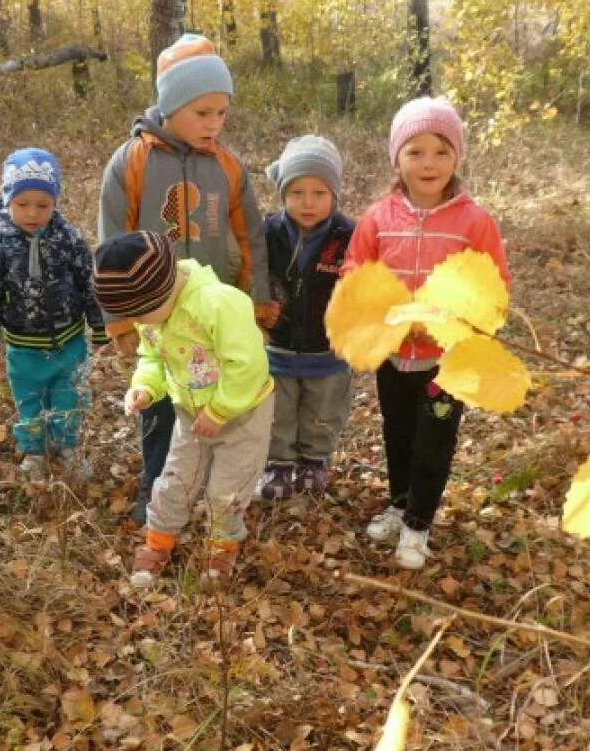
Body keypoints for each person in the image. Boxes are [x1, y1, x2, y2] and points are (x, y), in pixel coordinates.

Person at [97, 34, 276, 524]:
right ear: (171, 106)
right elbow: (112, 244)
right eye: (203, 112)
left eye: (222, 112)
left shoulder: (227, 164)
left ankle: (222, 496)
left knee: (224, 403)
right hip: (158, 312)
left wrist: (258, 307)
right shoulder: (131, 162)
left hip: (217, 315)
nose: (215, 124)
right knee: (163, 403)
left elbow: (251, 236)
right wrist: (121, 322)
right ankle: (159, 492)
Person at [342, 97, 511, 570]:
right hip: (394, 355)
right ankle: (400, 502)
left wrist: (460, 319)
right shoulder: (378, 218)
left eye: (440, 150)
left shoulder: (474, 221)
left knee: (434, 439)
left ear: (457, 156)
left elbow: (493, 283)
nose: (428, 162)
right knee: (397, 432)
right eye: (415, 151)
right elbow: (355, 272)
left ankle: (418, 524)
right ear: (397, 158)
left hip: (446, 360)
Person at [93, 231, 274, 589]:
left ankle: (223, 544)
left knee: (227, 488)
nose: (141, 323)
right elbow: (152, 358)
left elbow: (249, 364)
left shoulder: (218, 304)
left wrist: (220, 410)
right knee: (175, 478)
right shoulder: (152, 316)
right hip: (191, 414)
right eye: (133, 315)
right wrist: (145, 387)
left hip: (242, 413)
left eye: (142, 312)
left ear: (165, 287)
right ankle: (158, 540)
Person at [0, 148, 108, 478]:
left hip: (69, 340)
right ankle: (33, 450)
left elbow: (88, 283)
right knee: (29, 401)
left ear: (55, 202)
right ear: (8, 200)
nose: (32, 213)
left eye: (43, 205)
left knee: (69, 396)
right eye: (22, 204)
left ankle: (67, 447)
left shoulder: (68, 237)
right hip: (24, 345)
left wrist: (100, 324)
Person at [254, 135, 355, 500]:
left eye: (318, 192)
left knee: (322, 410)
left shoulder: (349, 236)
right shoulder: (268, 233)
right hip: (278, 345)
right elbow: (252, 274)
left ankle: (314, 460)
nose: (308, 202)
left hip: (328, 349)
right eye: (297, 192)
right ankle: (278, 463)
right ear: (283, 194)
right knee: (278, 410)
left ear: (334, 194)